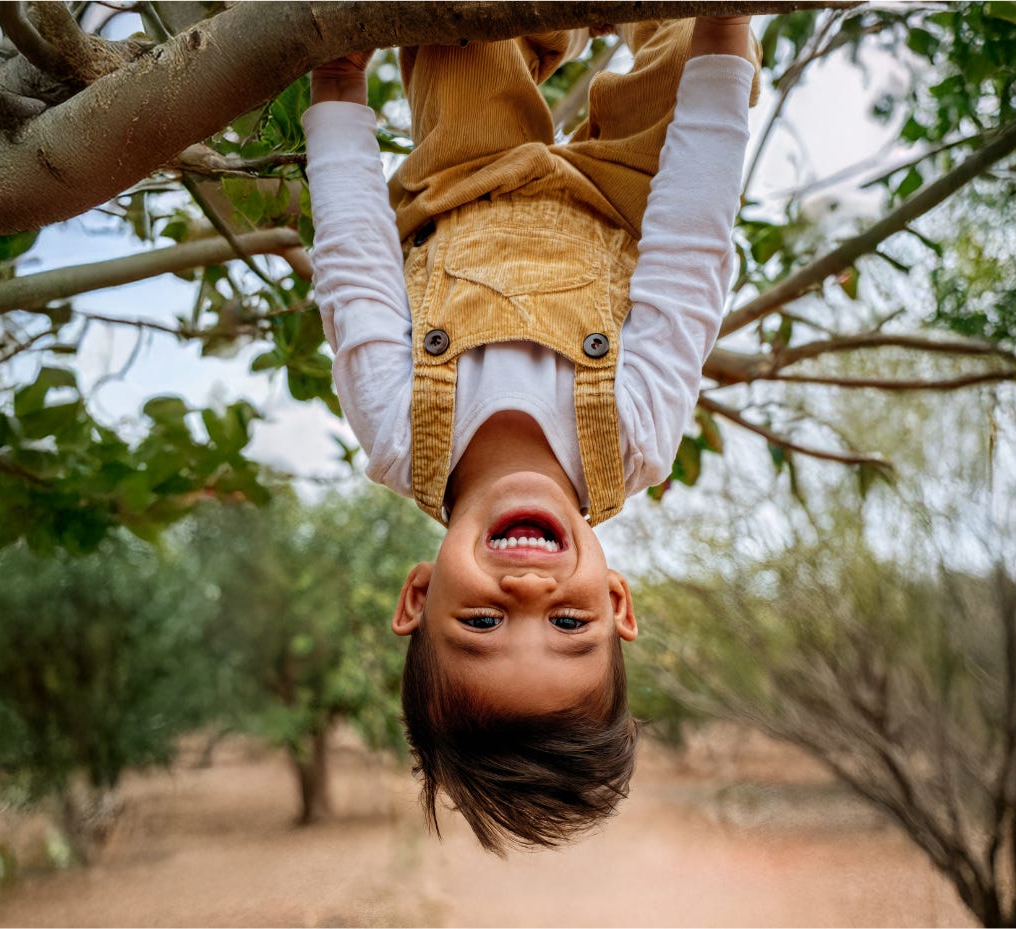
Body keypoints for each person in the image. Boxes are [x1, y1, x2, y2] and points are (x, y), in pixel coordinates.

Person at [301, 15, 760, 854]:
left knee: (458, 36)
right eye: (569, 628)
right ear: (616, 601)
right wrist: (726, 29)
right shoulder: (634, 435)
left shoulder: (397, 432)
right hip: (628, 198)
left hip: (465, 176)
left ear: (416, 598)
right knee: (702, 49)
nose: (527, 598)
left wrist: (336, 87)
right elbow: (691, 247)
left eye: (478, 625)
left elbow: (354, 269)